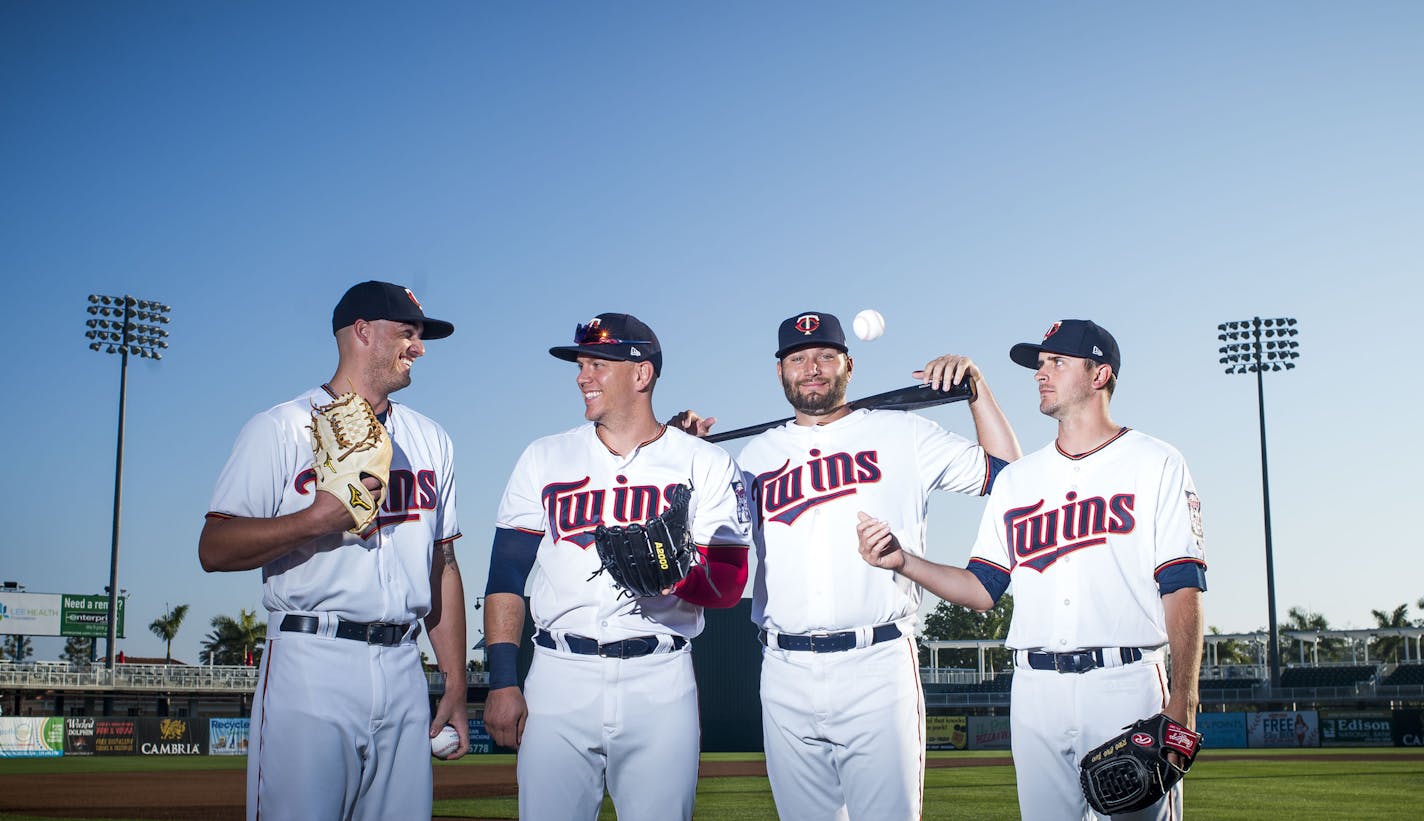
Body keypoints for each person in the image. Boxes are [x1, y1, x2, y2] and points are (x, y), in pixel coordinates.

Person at [857, 319, 1207, 820]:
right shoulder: (1019, 480)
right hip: (1035, 691)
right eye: (1039, 364)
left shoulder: (1155, 462)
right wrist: (903, 561)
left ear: (1099, 374)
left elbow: (1182, 584)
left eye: (1057, 362)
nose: (1042, 374)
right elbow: (982, 588)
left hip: (1125, 683)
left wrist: (1184, 700)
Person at [736, 310, 1021, 821]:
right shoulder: (754, 458)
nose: (812, 368)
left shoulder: (902, 434)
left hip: (876, 662)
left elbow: (1008, 477)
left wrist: (976, 389)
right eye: (797, 359)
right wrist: (675, 448)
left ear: (849, 365)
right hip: (782, 669)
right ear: (780, 372)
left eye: (826, 355)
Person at [199, 281, 468, 821]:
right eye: (408, 333)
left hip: (402, 665)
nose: (419, 347)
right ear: (362, 332)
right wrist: (312, 520)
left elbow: (443, 565)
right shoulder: (280, 428)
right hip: (311, 660)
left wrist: (455, 681)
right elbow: (214, 547)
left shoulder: (431, 438)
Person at [482, 312, 753, 821]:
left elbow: (729, 584)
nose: (582, 376)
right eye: (580, 364)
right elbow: (505, 576)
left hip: (660, 677)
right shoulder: (544, 457)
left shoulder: (704, 463)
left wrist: (672, 576)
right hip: (558, 676)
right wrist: (501, 680)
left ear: (642, 374)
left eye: (597, 363)